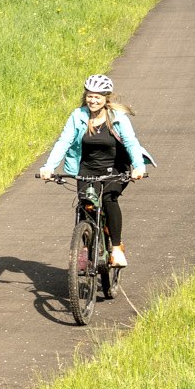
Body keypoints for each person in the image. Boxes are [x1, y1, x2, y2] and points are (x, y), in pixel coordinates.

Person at [38, 73, 153, 278]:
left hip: (115, 168)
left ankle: (116, 248)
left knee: (109, 199)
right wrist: (49, 167)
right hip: (88, 168)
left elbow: (130, 142)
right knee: (86, 205)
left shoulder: (117, 117)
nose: (93, 100)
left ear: (106, 98)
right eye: (90, 96)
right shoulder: (78, 116)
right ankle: (85, 249)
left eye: (97, 97)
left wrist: (138, 167)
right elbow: (64, 141)